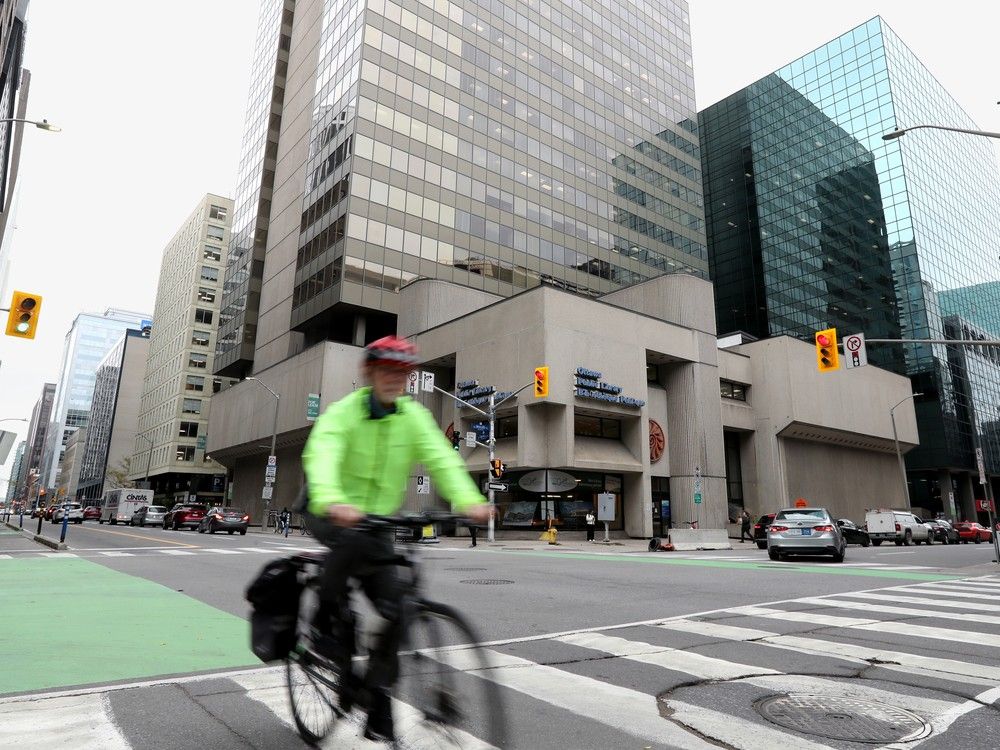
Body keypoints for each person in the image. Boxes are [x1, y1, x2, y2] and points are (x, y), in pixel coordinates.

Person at [302, 335, 492, 743]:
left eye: (402, 372)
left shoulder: (413, 417)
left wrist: (469, 500)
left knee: (396, 609)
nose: (395, 378)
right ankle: (324, 618)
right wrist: (334, 500)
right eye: (387, 370)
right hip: (331, 509)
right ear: (369, 372)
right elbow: (323, 452)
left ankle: (378, 698)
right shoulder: (345, 413)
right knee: (351, 543)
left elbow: (441, 458)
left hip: (380, 522)